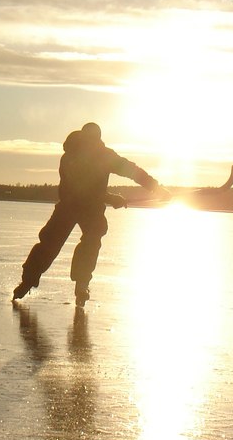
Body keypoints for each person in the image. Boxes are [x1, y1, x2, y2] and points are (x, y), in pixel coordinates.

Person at [12, 122, 169, 307]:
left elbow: (133, 171)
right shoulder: (73, 156)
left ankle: (80, 284)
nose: (91, 144)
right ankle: (29, 281)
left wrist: (155, 188)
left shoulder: (98, 155)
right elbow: (80, 188)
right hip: (73, 205)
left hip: (82, 207)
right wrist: (110, 198)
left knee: (89, 239)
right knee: (53, 243)